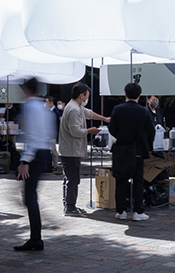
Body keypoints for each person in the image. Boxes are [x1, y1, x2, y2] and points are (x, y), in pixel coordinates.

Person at [14, 77, 55, 251]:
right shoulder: (44, 107)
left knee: (30, 197)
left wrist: (25, 160)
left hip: (35, 154)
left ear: (27, 90)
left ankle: (36, 238)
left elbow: (32, 136)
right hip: (44, 152)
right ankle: (35, 238)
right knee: (31, 196)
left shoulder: (30, 107)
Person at [58, 82, 110, 216]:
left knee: (70, 179)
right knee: (72, 180)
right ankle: (70, 208)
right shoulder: (74, 109)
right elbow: (75, 131)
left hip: (70, 150)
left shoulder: (76, 107)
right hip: (70, 151)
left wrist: (104, 118)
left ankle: (69, 205)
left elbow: (89, 113)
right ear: (81, 96)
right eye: (87, 96)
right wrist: (89, 131)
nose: (87, 99)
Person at [108, 82, 155, 221]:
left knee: (121, 180)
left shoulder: (117, 109)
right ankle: (138, 212)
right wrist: (148, 146)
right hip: (138, 150)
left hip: (122, 149)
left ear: (125, 94)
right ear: (139, 96)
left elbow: (112, 129)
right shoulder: (144, 111)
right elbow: (151, 131)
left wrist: (122, 137)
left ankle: (121, 211)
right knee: (138, 181)